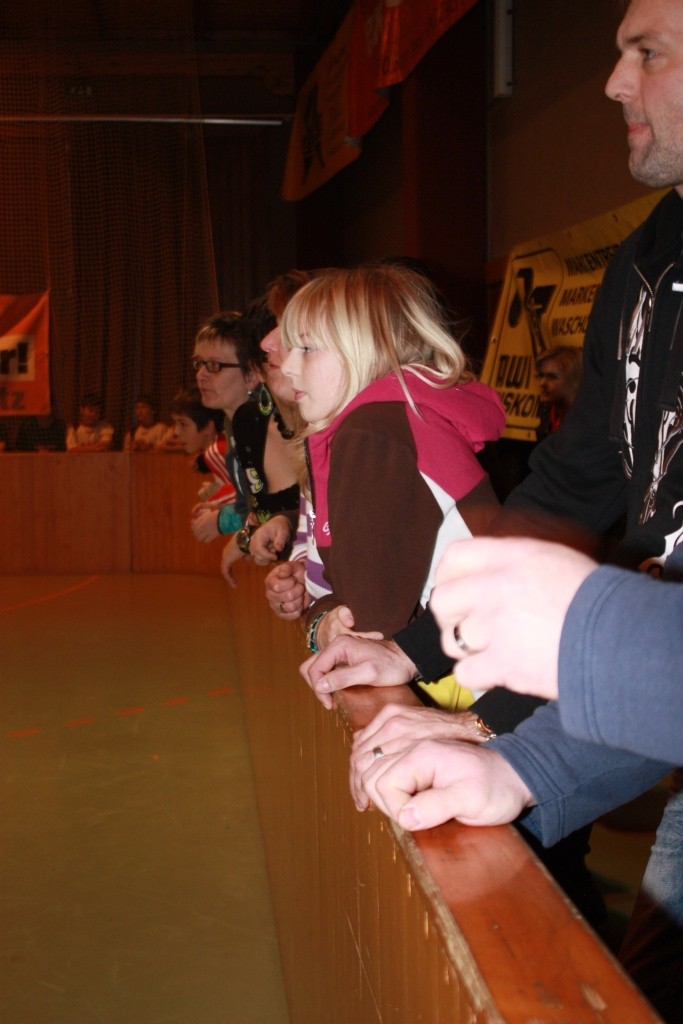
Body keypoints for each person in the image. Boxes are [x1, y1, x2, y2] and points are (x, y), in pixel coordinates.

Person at [351, 1, 683, 1017]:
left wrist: (584, 638)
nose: (611, 83)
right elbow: (574, 485)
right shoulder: (647, 258)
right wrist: (505, 748)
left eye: (647, 51)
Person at [278, 262, 505, 704]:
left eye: (307, 348)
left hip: (483, 694)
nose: (287, 366)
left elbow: (368, 630)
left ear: (368, 350)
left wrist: (319, 620)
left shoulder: (373, 433)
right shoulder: (393, 420)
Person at [534, 345, 583, 439]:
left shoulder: (588, 419)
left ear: (573, 379)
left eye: (552, 376)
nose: (542, 383)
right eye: (541, 375)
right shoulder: (547, 412)